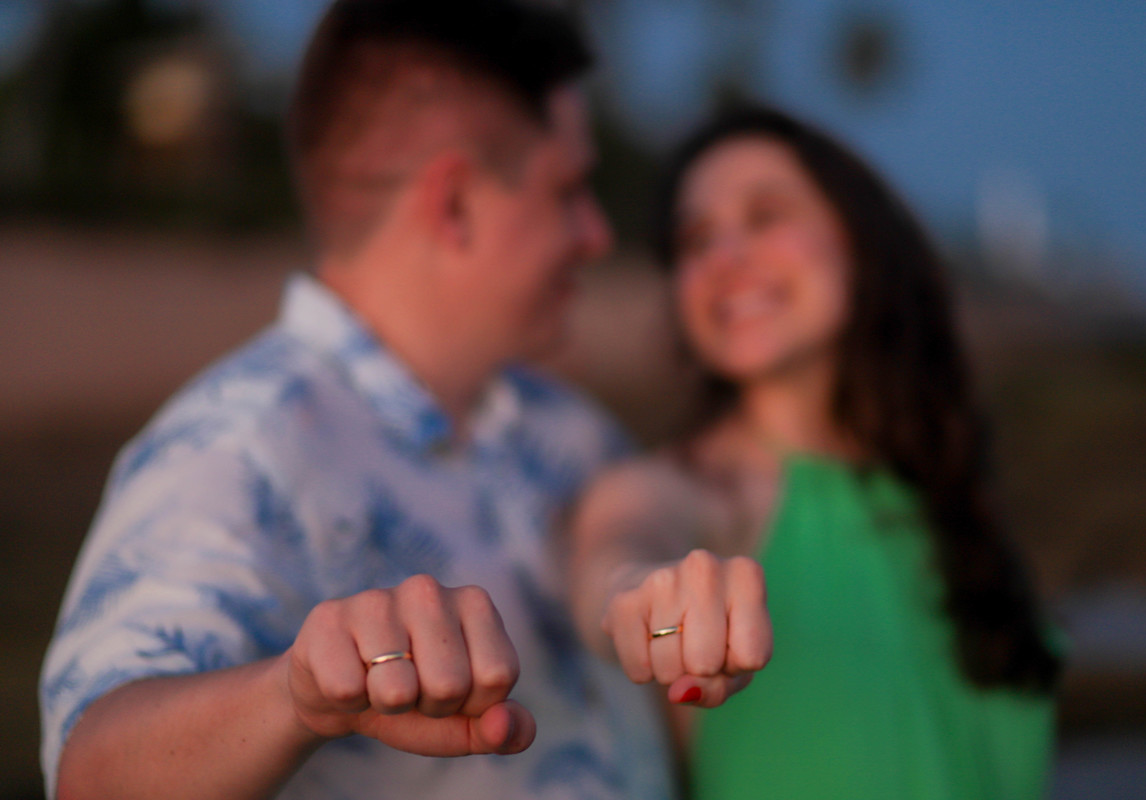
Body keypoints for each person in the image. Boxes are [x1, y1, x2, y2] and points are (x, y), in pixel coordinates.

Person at [38, 2, 680, 798]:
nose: (595, 235)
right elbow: (94, 771)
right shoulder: (235, 449)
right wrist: (295, 695)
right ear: (455, 205)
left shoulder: (565, 424)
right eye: (567, 190)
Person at [569, 108, 1061, 799]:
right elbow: (618, 553)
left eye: (766, 216)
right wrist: (645, 601)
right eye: (695, 238)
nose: (727, 257)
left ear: (860, 240)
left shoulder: (951, 498)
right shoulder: (684, 487)